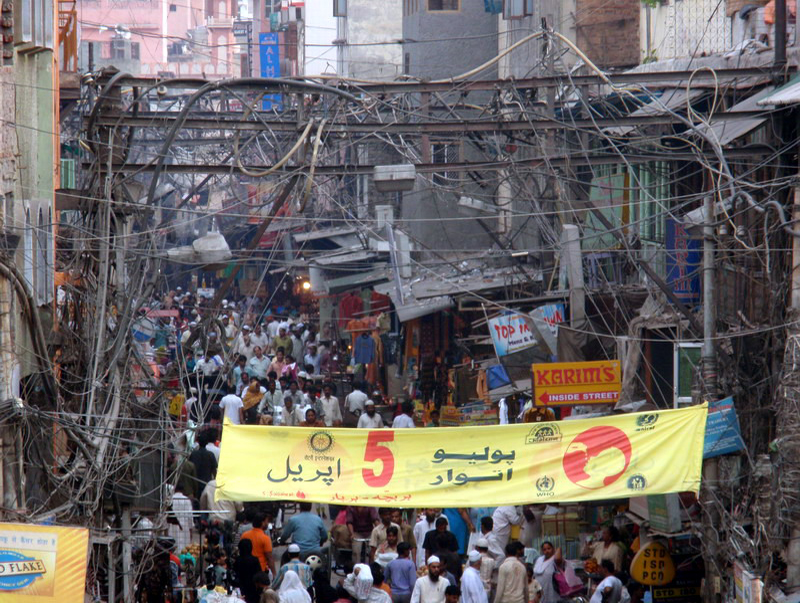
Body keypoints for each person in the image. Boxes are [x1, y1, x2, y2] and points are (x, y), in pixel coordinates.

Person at [421, 517, 460, 582]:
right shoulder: (429, 535)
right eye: (440, 526)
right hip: (434, 562)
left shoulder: (451, 536)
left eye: (444, 526)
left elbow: (455, 551)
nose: (442, 528)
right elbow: (427, 552)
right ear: (436, 526)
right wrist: (427, 565)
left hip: (450, 562)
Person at [235, 538, 264, 603]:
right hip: (253, 589)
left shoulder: (238, 560)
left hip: (241, 589)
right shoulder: (254, 560)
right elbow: (259, 575)